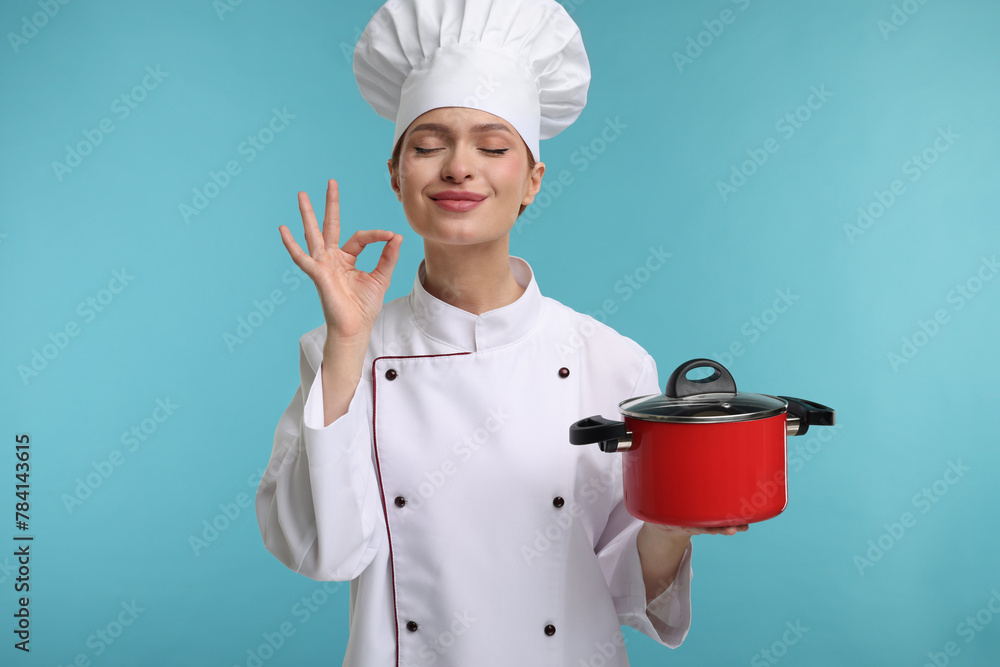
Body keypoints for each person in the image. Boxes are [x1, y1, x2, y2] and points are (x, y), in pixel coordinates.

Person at [255, 1, 746, 665]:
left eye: (492, 146)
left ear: (532, 181)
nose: (460, 167)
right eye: (429, 146)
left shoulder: (611, 361)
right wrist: (347, 342)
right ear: (397, 176)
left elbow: (633, 584)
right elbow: (325, 551)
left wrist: (677, 516)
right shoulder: (339, 354)